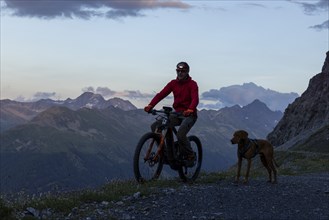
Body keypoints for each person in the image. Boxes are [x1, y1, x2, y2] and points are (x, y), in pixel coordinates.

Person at [144, 61, 199, 166]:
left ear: (187, 72)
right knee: (155, 126)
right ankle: (165, 154)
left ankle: (190, 155)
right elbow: (161, 95)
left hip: (189, 114)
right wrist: (150, 105)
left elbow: (195, 99)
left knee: (180, 134)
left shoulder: (192, 84)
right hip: (177, 113)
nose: (180, 73)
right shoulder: (173, 83)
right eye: (178, 71)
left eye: (183, 71)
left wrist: (191, 109)